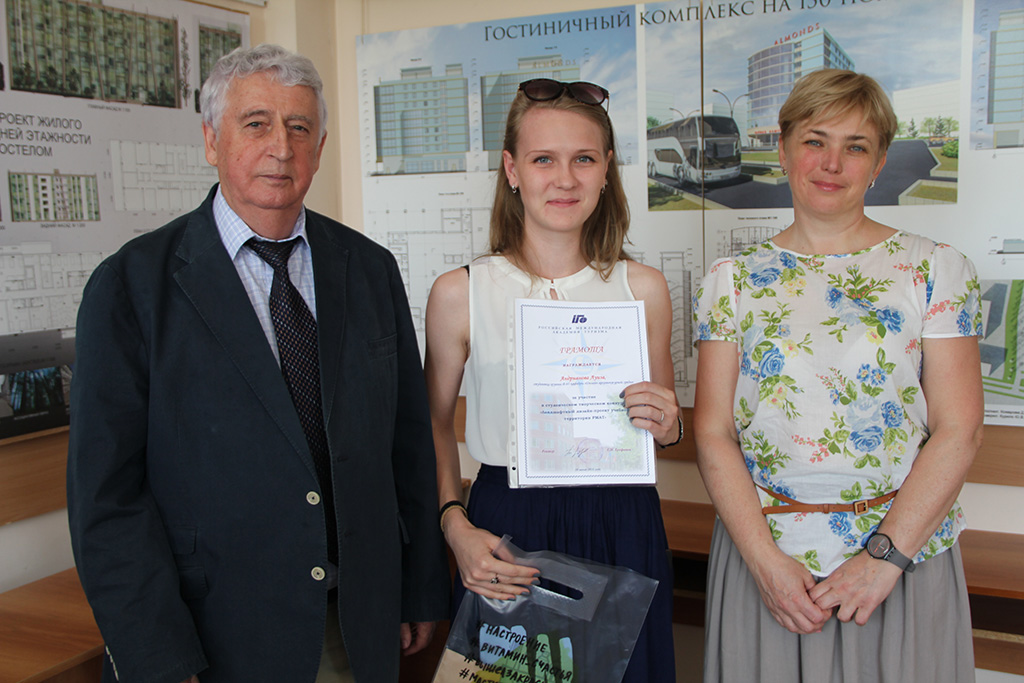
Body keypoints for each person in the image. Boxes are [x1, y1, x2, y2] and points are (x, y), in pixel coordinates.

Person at [66, 44, 450, 683]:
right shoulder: (131, 286)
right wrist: (159, 658)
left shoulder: (369, 268)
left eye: (299, 128)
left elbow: (406, 444)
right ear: (210, 140)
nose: (281, 147)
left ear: (319, 148)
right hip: (213, 637)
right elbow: (106, 498)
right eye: (256, 124)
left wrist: (418, 587)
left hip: (358, 623)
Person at [693, 69, 983, 682]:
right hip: (768, 568)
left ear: (879, 162)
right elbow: (714, 432)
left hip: (900, 565)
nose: (831, 163)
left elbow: (959, 430)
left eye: (855, 146)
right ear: (783, 150)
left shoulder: (935, 268)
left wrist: (884, 558)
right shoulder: (731, 280)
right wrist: (764, 563)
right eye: (815, 141)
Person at [424, 78, 680, 682]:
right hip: (507, 526)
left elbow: (667, 430)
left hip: (621, 520)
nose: (564, 179)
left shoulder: (643, 288)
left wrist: (668, 423)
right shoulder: (460, 292)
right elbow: (430, 425)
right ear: (512, 170)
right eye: (544, 159)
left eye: (583, 159)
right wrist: (454, 525)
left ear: (606, 170)